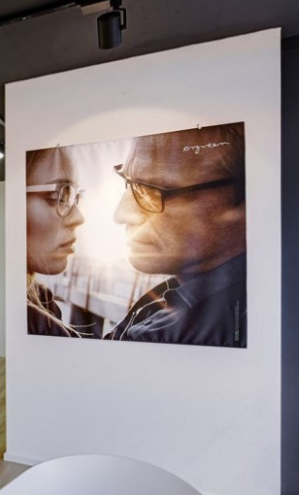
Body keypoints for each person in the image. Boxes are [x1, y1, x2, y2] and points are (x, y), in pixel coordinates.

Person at [106, 123, 246, 347]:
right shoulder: (181, 298)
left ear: (246, 202)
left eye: (152, 190)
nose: (121, 214)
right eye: (129, 183)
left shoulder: (175, 337)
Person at [26, 146, 87, 337]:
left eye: (75, 197)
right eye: (58, 196)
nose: (79, 217)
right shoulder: (38, 322)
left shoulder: (44, 302)